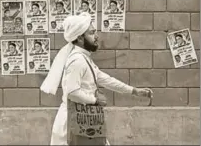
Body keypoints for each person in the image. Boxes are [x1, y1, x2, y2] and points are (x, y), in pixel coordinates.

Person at [40, 12, 153, 145]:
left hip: (84, 120)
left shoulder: (83, 58)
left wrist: (134, 91)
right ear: (80, 38)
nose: (96, 36)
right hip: (72, 123)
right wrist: (95, 100)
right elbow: (72, 92)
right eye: (92, 33)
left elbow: (105, 79)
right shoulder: (77, 61)